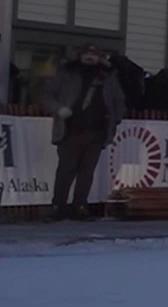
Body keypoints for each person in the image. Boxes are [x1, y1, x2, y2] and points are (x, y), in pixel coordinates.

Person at [45, 45, 126, 222]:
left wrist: (115, 119)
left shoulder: (108, 76)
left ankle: (79, 206)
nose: (90, 57)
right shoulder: (66, 72)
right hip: (70, 130)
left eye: (94, 54)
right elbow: (47, 95)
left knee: (86, 172)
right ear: (80, 55)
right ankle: (58, 206)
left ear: (99, 57)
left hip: (97, 131)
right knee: (66, 171)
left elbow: (119, 100)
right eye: (87, 54)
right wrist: (59, 109)